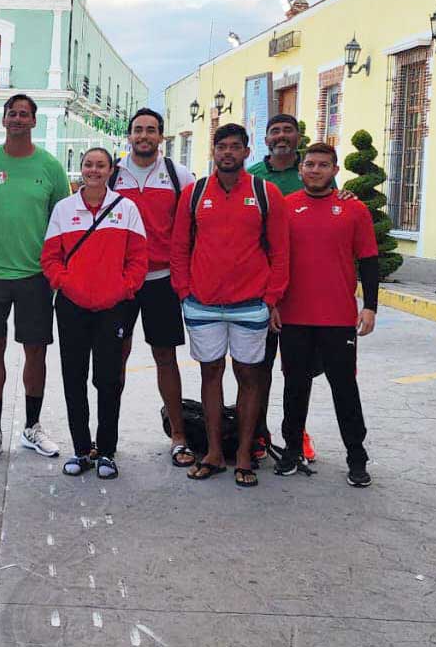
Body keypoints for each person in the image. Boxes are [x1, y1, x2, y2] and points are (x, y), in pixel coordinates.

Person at [171, 123, 290, 488]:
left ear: (246, 152)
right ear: (213, 151)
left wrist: (271, 298)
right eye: (221, 146)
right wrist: (184, 290)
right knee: (210, 374)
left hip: (250, 303)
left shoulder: (264, 192)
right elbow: (179, 247)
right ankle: (213, 453)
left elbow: (281, 251)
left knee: (249, 377)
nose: (227, 153)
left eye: (235, 147)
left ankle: (243, 455)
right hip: (202, 303)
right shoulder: (194, 193)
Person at [0, 94, 71, 462]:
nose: (18, 119)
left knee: (35, 351)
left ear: (34, 122)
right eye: (13, 113)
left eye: (25, 114)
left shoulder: (50, 167)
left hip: (36, 276)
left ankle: (32, 427)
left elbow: (65, 221)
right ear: (3, 119)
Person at [272, 144, 379, 487]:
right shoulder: (285, 208)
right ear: (300, 169)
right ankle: (291, 450)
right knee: (294, 386)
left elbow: (369, 260)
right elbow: (274, 259)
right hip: (293, 315)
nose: (315, 170)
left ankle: (356, 456)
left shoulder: (353, 209)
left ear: (335, 170)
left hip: (337, 317)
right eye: (310, 164)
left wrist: (371, 306)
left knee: (344, 388)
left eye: (323, 165)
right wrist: (272, 302)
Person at [41, 148, 148, 479]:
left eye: (100, 165)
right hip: (72, 307)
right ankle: (80, 449)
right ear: (81, 169)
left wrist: (122, 289)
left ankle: (107, 451)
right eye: (88, 165)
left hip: (112, 308)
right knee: (73, 379)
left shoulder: (126, 209)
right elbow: (50, 258)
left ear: (110, 170)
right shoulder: (64, 209)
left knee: (108, 380)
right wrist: (66, 283)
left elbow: (138, 259)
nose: (94, 170)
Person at [109, 109, 197, 467]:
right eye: (137, 130)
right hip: (121, 283)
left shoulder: (180, 176)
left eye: (151, 130)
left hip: (162, 282)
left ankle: (178, 436)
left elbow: (195, 229)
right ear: (128, 136)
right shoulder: (113, 174)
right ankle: (107, 437)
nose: (144, 135)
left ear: (161, 136)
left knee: (166, 358)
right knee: (115, 359)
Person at [246, 113, 321, 463]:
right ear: (265, 140)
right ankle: (257, 433)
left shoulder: (311, 174)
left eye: (287, 130)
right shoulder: (252, 179)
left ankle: (297, 434)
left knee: (298, 370)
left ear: (297, 136)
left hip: (303, 290)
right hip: (262, 288)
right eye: (274, 131)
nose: (281, 136)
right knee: (258, 368)